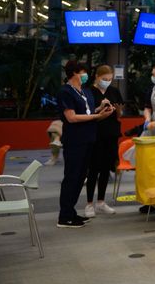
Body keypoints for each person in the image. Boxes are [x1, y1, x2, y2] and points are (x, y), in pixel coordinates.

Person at [56, 61, 114, 228]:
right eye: (83, 72)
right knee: (72, 177)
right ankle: (64, 215)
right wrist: (96, 117)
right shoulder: (66, 92)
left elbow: (87, 113)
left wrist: (100, 109)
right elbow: (72, 117)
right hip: (74, 140)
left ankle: (71, 212)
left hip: (88, 138)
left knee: (81, 176)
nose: (85, 75)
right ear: (74, 73)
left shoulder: (84, 91)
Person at [84, 65, 123, 218]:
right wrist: (100, 110)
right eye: (104, 79)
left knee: (106, 169)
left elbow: (119, 115)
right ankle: (89, 203)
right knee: (93, 169)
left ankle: (101, 201)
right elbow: (87, 113)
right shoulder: (88, 92)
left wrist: (117, 110)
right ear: (97, 77)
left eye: (109, 79)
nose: (107, 82)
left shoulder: (114, 91)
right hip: (95, 133)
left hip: (111, 133)